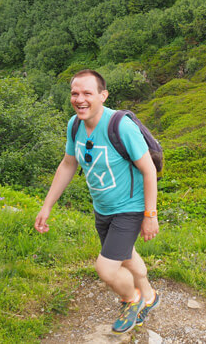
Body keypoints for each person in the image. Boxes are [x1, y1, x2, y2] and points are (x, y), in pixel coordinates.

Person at [34, 69, 160, 334]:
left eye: (87, 93)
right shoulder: (75, 125)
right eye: (75, 93)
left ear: (103, 95)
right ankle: (149, 296)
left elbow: (149, 171)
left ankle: (131, 299)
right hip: (102, 207)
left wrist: (150, 215)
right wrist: (47, 205)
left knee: (105, 268)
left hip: (130, 207)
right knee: (124, 256)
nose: (80, 99)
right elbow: (68, 164)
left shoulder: (120, 126)